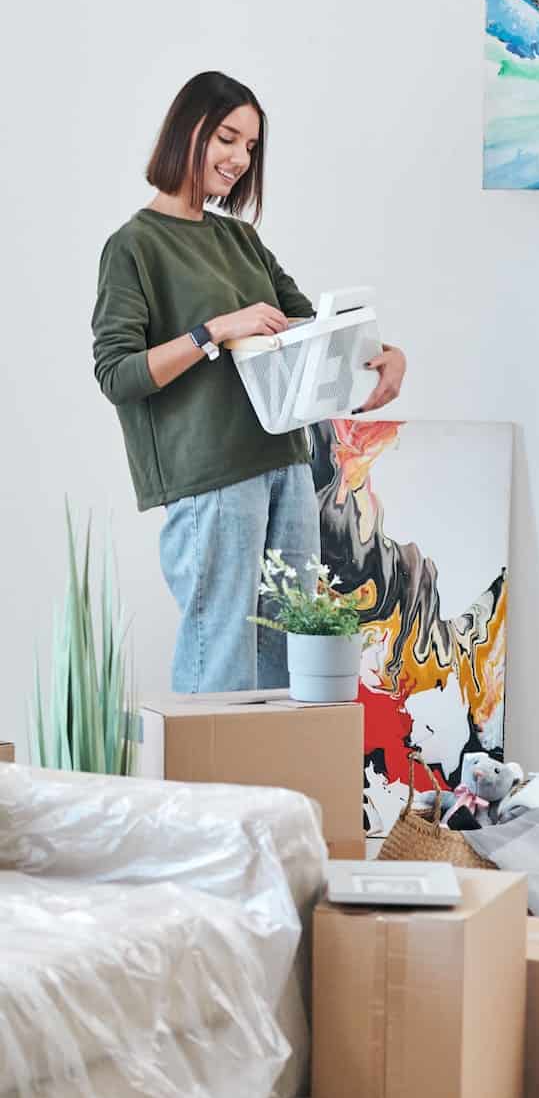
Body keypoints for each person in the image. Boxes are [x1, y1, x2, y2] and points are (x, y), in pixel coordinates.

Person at [93, 71, 407, 694]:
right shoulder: (134, 246)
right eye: (227, 139)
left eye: (251, 147)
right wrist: (213, 330)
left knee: (285, 660)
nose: (240, 159)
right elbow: (118, 375)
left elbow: (311, 327)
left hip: (284, 463)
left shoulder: (240, 238)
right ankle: (208, 794)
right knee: (223, 655)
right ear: (189, 131)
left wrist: (387, 354)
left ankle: (271, 794)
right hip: (210, 475)